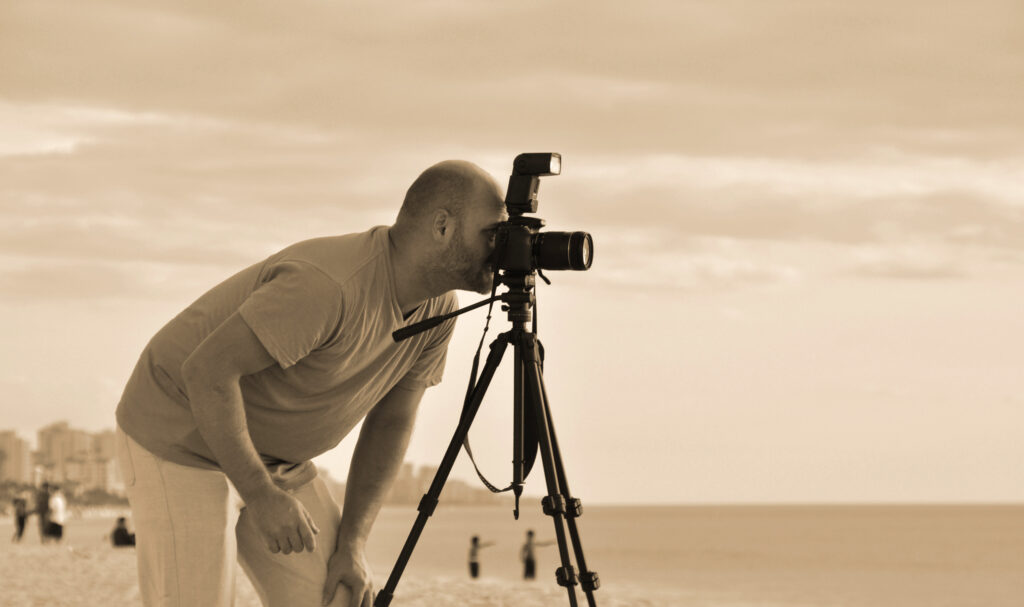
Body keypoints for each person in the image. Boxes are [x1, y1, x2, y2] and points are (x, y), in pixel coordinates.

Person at [114, 160, 507, 607]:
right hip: (180, 438)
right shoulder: (328, 285)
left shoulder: (439, 310)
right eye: (493, 233)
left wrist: (352, 544)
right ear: (442, 226)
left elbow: (391, 422)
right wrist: (261, 497)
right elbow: (205, 372)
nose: (505, 248)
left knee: (340, 595)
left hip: (279, 458)